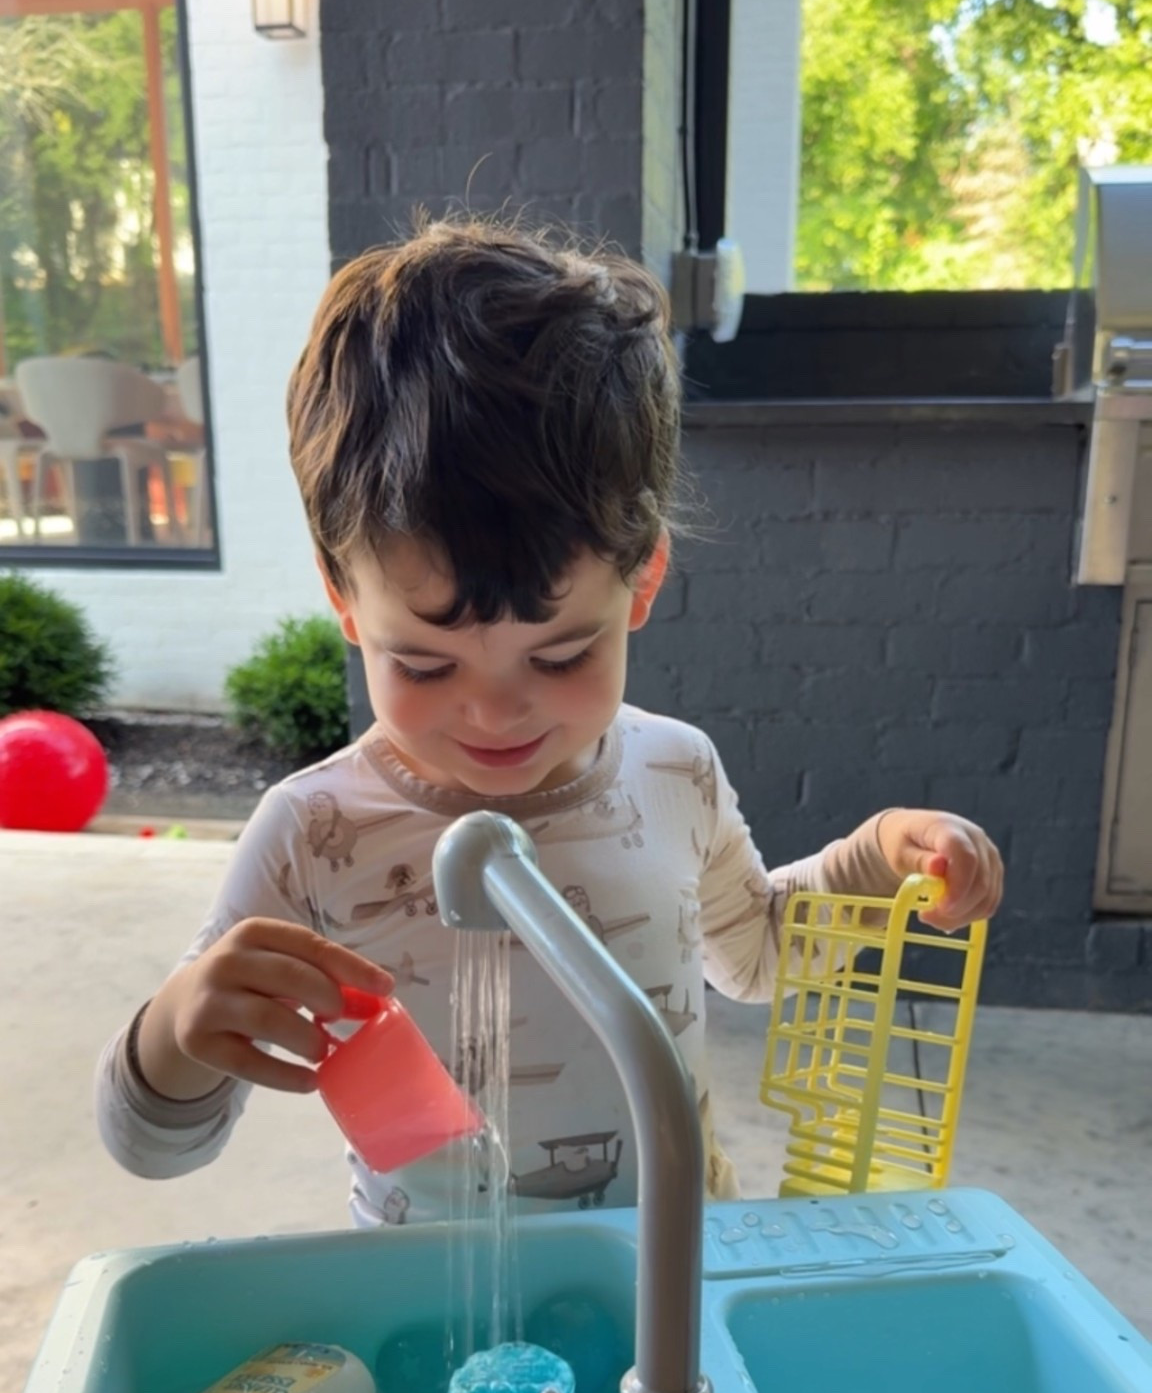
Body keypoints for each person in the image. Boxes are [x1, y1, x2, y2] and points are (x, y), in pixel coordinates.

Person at [97, 219, 1002, 1225]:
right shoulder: (315, 834)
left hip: (665, 1290)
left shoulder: (674, 773)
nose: (493, 708)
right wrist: (172, 1033)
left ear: (642, 577)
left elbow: (756, 955)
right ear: (345, 601)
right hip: (429, 1307)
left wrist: (876, 861)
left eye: (562, 653)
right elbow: (151, 1143)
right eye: (424, 661)